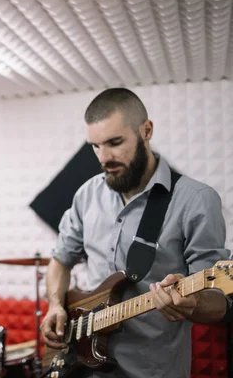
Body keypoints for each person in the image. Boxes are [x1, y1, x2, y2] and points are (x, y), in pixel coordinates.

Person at [40, 87, 229, 378]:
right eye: (95, 146)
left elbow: (218, 299)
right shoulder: (86, 194)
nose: (104, 157)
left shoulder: (196, 200)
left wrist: (193, 304)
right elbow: (60, 260)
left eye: (115, 142)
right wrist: (55, 306)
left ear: (146, 130)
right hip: (83, 367)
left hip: (152, 370)